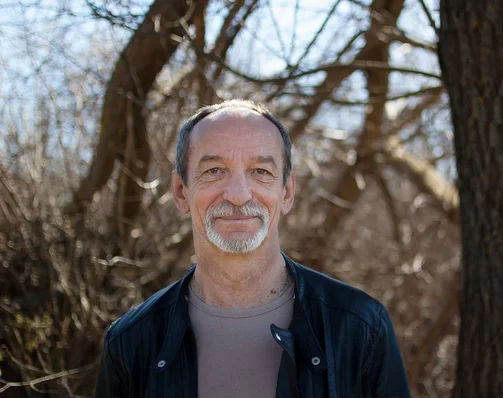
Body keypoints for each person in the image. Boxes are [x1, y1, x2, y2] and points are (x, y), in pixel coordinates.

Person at [95, 100, 411, 397]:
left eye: (260, 171)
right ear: (180, 191)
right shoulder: (130, 343)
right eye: (214, 170)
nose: (238, 195)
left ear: (287, 193)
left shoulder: (361, 328)